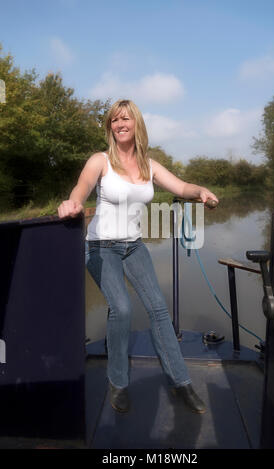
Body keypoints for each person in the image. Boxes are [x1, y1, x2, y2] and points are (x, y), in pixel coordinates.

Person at [58, 99, 218, 414]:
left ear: (136, 125)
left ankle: (181, 382)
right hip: (101, 248)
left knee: (159, 309)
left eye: (125, 119)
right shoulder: (100, 160)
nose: (119, 124)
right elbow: (82, 186)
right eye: (114, 120)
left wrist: (200, 191)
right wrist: (72, 202)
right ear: (110, 127)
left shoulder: (149, 164)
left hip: (134, 246)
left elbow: (181, 185)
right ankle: (118, 382)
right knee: (121, 308)